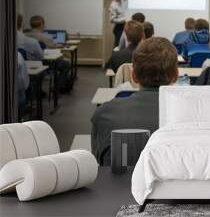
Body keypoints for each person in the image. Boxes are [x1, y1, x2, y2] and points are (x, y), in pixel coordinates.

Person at [91, 37, 179, 165]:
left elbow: (98, 162)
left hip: (118, 185)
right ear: (175, 76)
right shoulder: (194, 118)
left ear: (134, 76)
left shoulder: (103, 113)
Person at [26, 15, 72, 93]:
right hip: (44, 63)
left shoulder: (25, 36)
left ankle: (37, 89)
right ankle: (57, 88)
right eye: (44, 24)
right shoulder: (47, 37)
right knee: (66, 64)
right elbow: (54, 50)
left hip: (27, 63)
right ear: (41, 24)